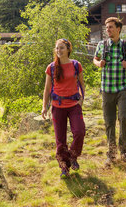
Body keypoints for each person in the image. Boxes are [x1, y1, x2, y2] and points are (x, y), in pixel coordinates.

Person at [93, 17, 126, 166]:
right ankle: (111, 154)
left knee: (124, 118)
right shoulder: (101, 45)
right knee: (109, 122)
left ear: (118, 28)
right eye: (107, 28)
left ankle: (124, 151)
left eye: (111, 27)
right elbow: (95, 59)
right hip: (107, 89)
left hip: (123, 88)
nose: (108, 30)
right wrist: (98, 63)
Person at [42, 39, 85, 178]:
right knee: (60, 141)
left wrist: (81, 99)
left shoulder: (76, 65)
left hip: (74, 106)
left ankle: (73, 156)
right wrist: (44, 107)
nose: (59, 50)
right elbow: (47, 89)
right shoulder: (52, 67)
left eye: (61, 48)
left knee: (79, 132)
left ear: (68, 49)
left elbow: (82, 84)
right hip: (57, 107)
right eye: (57, 48)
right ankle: (64, 168)